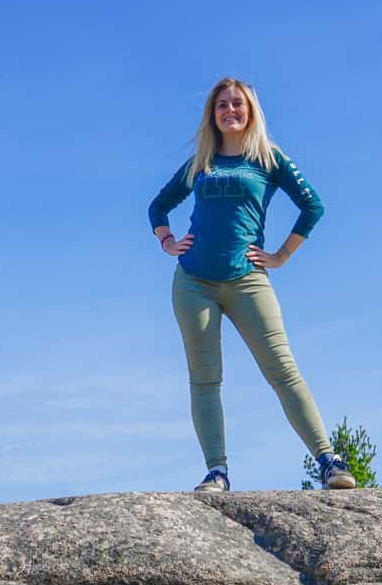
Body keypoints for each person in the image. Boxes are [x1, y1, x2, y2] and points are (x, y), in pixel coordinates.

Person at [148, 77, 355, 492]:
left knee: (282, 370)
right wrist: (168, 241)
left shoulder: (268, 157)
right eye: (222, 105)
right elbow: (158, 205)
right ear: (213, 114)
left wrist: (281, 255)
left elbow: (313, 205)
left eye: (237, 104)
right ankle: (217, 471)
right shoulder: (201, 162)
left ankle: (328, 460)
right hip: (193, 283)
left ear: (250, 110)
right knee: (205, 379)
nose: (229, 110)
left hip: (248, 281)